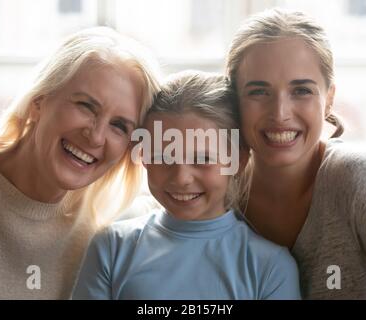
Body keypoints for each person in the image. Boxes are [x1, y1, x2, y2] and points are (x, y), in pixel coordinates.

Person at [0, 27, 160, 299]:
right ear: (39, 100)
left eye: (119, 126)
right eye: (86, 106)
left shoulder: (111, 224)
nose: (96, 136)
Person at [226, 8, 366, 299]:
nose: (280, 113)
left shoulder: (352, 177)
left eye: (301, 91)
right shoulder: (218, 191)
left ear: (329, 100)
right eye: (259, 92)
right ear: (234, 101)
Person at [72, 70, 301, 300]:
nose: (181, 178)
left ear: (238, 160)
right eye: (163, 157)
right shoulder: (112, 248)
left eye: (202, 160)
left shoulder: (271, 268)